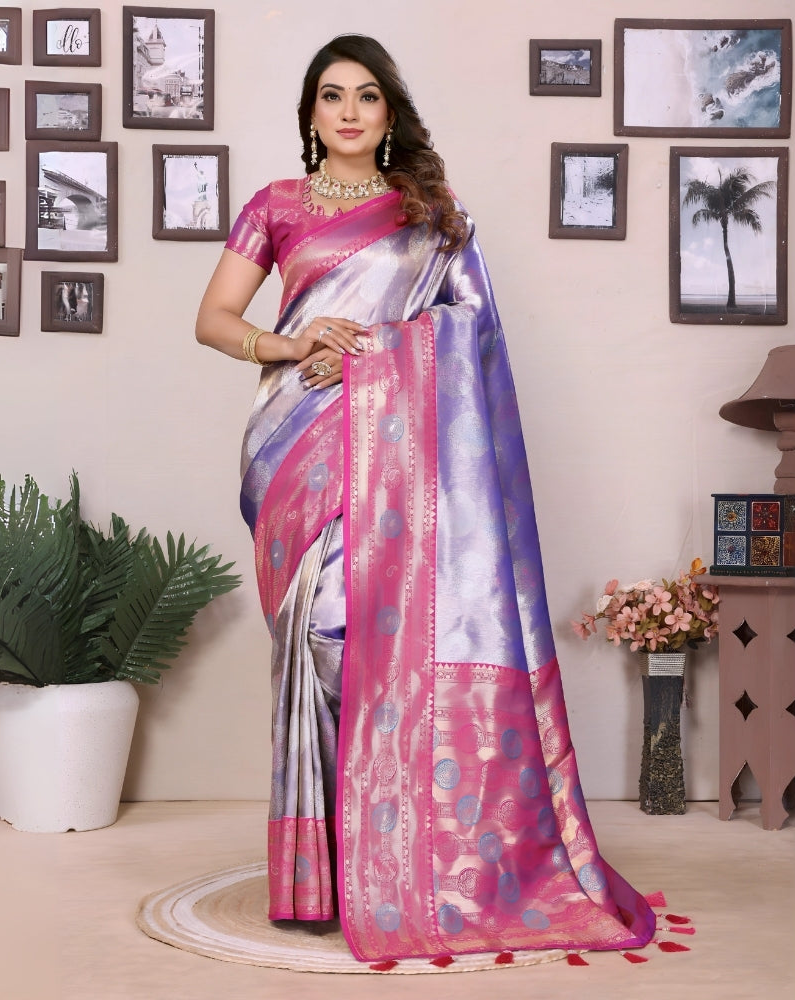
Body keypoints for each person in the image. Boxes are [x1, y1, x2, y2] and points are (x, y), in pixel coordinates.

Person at [195, 34, 656, 963]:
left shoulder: (430, 213)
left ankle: (388, 854)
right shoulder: (275, 207)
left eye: (369, 96)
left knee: (368, 640)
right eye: (333, 97)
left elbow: (472, 336)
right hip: (300, 447)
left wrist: (384, 359)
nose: (352, 112)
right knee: (317, 639)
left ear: (390, 112)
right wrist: (295, 347)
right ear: (311, 114)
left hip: (402, 456)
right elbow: (213, 320)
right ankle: (320, 869)